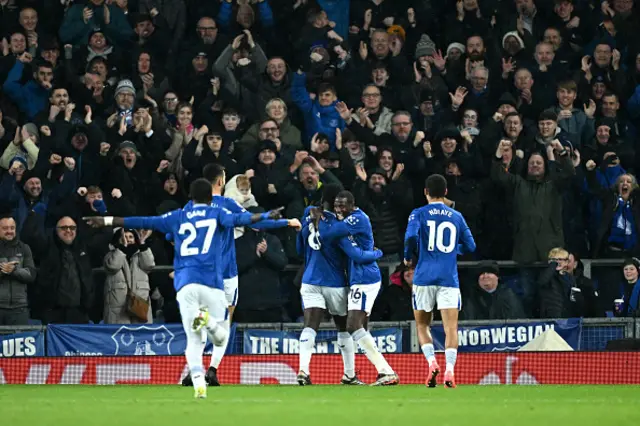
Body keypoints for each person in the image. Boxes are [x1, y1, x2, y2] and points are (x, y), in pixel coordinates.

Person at [84, 178, 285, 398]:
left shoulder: (177, 216)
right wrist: (266, 216)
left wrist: (106, 221)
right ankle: (207, 326)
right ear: (211, 198)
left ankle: (198, 382)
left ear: (190, 197)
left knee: (193, 337)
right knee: (220, 335)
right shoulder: (217, 214)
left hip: (186, 283)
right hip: (212, 283)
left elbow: (143, 220)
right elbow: (242, 218)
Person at [182, 163, 300, 387]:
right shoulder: (227, 204)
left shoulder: (190, 207)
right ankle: (213, 370)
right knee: (224, 321)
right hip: (226, 272)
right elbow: (257, 221)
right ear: (220, 181)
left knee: (200, 320)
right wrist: (287, 221)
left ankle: (194, 370)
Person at [296, 183, 383, 386]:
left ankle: (303, 371)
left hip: (309, 279)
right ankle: (349, 374)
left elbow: (300, 248)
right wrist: (377, 253)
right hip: (334, 281)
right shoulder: (339, 223)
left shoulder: (309, 215)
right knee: (345, 327)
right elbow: (349, 252)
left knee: (310, 326)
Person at [315, 190, 399, 386]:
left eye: (343, 205)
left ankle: (386, 371)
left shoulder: (356, 220)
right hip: (358, 278)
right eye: (336, 205)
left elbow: (353, 252)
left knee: (352, 325)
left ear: (352, 205)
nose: (339, 209)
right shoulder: (344, 224)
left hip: (364, 277)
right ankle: (351, 374)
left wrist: (378, 253)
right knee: (359, 327)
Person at [404, 174, 476, 388]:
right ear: (446, 193)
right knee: (451, 328)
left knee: (422, 324)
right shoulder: (456, 216)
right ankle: (450, 371)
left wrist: (408, 256)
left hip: (424, 277)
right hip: (448, 278)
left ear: (425, 192)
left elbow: (410, 237)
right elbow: (471, 247)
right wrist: (453, 250)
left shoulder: (418, 213)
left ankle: (432, 362)